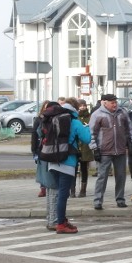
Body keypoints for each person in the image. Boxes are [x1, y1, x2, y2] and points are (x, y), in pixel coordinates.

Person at [45, 97, 92, 233]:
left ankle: (62, 219)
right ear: (75, 109)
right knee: (63, 195)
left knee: (59, 192)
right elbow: (87, 139)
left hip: (52, 160)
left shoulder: (54, 118)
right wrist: (87, 128)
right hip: (67, 161)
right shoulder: (75, 122)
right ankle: (60, 224)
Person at [89, 93, 131, 210]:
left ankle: (120, 199)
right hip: (104, 151)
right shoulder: (97, 114)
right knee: (102, 177)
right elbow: (92, 133)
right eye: (112, 102)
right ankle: (98, 201)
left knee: (121, 176)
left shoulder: (122, 113)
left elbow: (129, 129)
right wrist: (94, 148)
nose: (115, 104)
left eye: (115, 102)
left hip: (120, 150)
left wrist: (131, 143)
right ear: (105, 103)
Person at [32, 101, 59, 229]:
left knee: (49, 189)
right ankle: (53, 220)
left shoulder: (42, 120)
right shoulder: (52, 122)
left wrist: (35, 152)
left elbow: (36, 135)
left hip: (43, 155)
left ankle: (50, 218)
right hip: (52, 157)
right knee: (53, 189)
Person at [73, 99, 94, 198]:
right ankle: (72, 190)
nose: (82, 107)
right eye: (80, 106)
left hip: (86, 146)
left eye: (84, 106)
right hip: (75, 145)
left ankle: (83, 190)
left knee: (84, 168)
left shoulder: (90, 117)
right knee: (73, 168)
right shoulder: (75, 117)